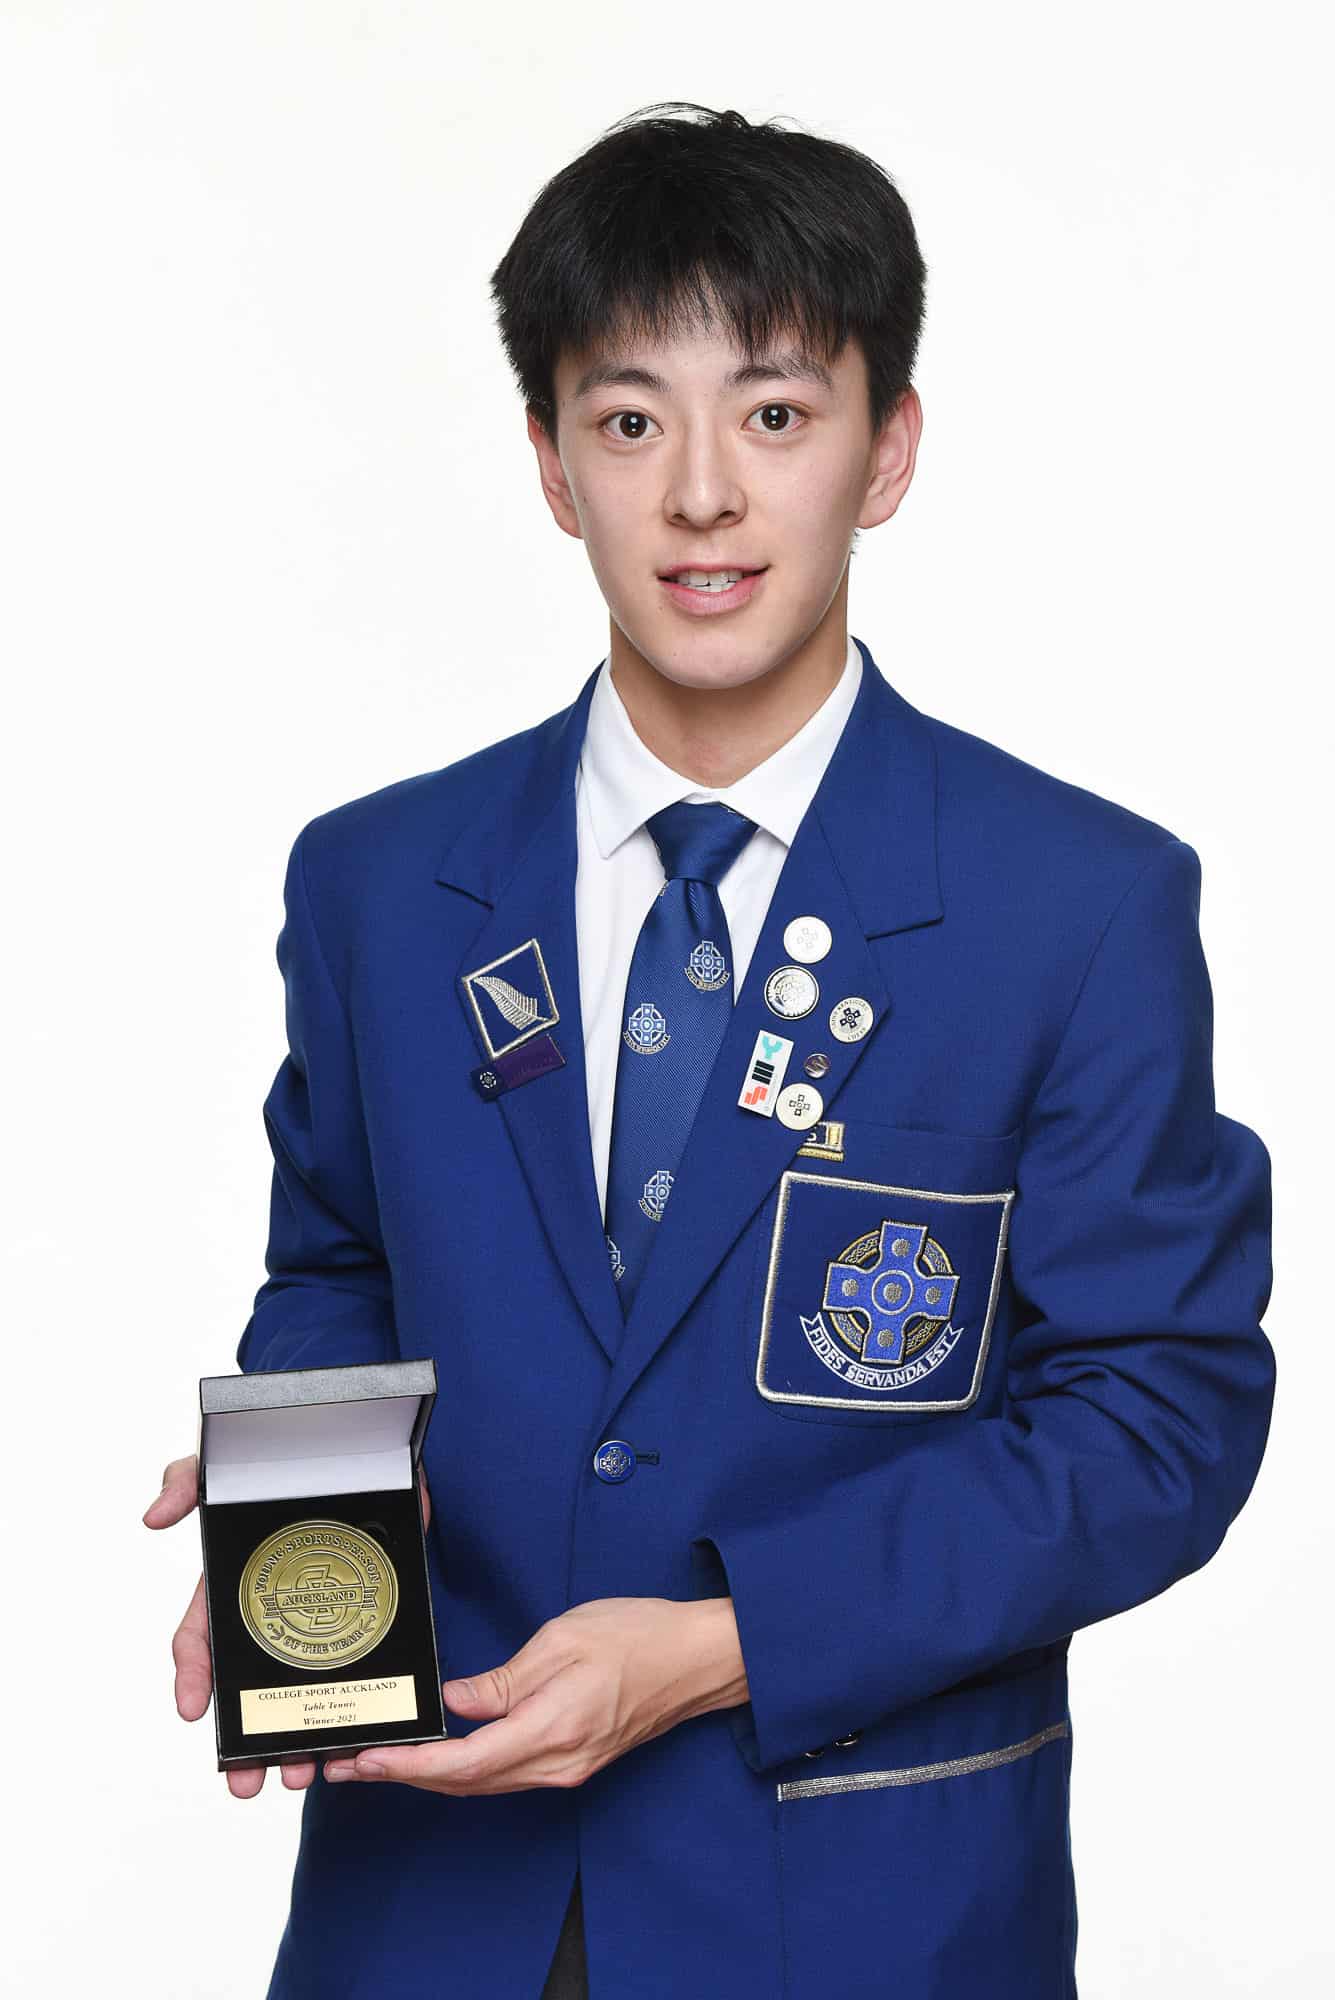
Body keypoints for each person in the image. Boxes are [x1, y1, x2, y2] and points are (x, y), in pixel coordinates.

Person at [144, 102, 1276, 1998]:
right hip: (428, 1896)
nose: (699, 496)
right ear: (549, 463)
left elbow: (1157, 1417)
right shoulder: (378, 884)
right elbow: (340, 1262)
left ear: (886, 448)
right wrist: (307, 1520)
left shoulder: (1075, 904)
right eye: (626, 420)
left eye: (773, 414)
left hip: (864, 1909)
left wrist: (726, 1644)